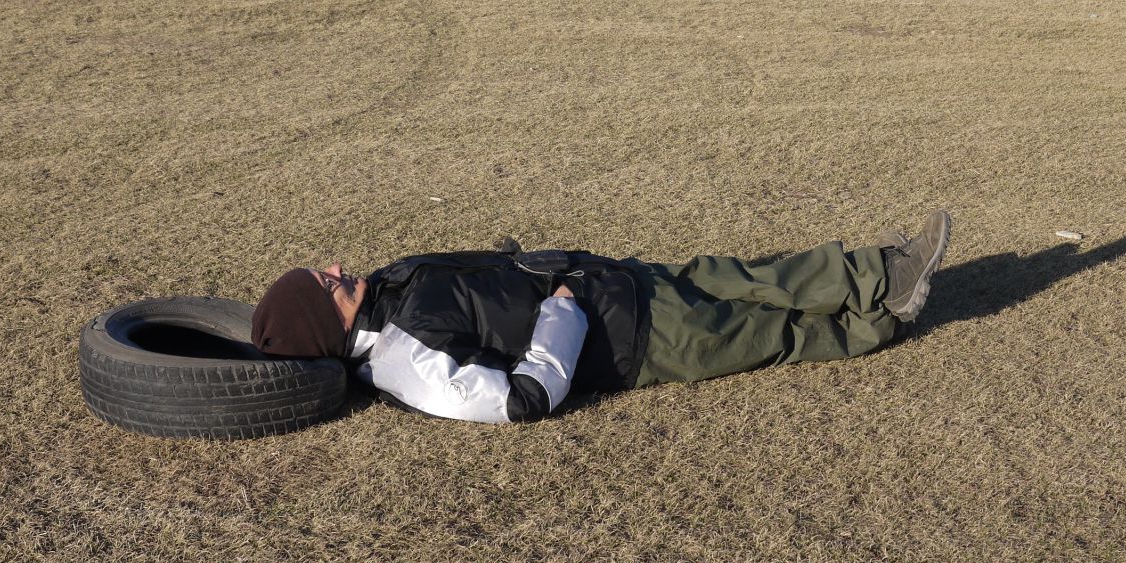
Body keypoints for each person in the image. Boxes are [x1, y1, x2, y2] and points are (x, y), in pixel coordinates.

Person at [250, 211, 951, 424]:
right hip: (632, 339)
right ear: (325, 324)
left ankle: (879, 270)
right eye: (327, 284)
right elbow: (522, 399)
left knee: (754, 277)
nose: (338, 268)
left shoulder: (386, 288)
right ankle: (887, 312)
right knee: (769, 332)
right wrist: (559, 312)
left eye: (327, 270)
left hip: (615, 280)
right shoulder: (404, 364)